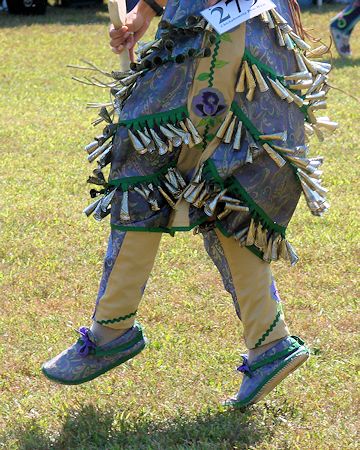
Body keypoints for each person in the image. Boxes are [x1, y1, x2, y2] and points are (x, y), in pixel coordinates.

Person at [42, 0, 337, 408]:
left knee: (145, 160)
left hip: (224, 31)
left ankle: (111, 330)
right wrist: (144, 12)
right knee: (220, 188)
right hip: (230, 29)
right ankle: (268, 340)